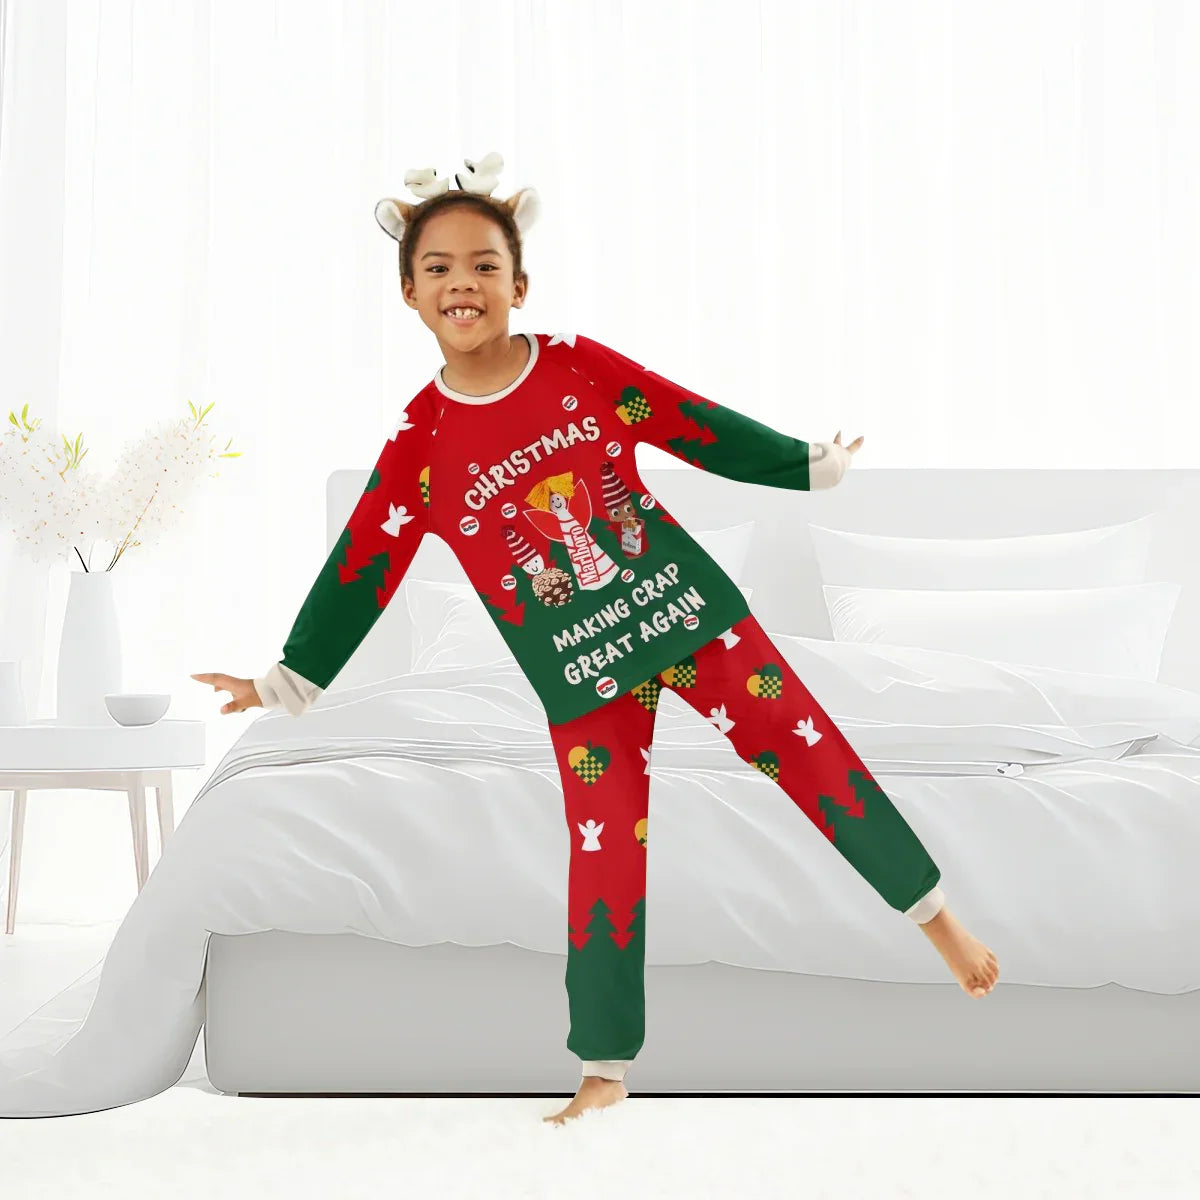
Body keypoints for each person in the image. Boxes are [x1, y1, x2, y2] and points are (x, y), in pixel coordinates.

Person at [192, 151, 999, 1127]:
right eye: (439, 267)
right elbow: (366, 565)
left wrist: (804, 467)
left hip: (689, 616)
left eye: (485, 265)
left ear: (519, 284)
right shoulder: (421, 448)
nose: (464, 283)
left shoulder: (575, 368)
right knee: (606, 851)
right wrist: (286, 680)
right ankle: (605, 1063)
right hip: (583, 675)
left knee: (813, 754)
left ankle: (939, 922)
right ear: (408, 292)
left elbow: (687, 420)